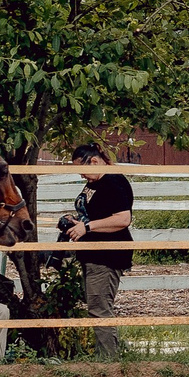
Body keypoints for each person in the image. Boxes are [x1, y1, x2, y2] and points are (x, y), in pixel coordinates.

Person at [59, 144, 134, 355]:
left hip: (107, 255)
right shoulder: (95, 182)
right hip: (93, 253)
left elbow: (123, 219)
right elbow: (95, 214)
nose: (81, 175)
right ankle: (107, 355)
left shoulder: (113, 182)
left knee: (100, 308)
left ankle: (109, 359)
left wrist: (87, 227)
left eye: (81, 169)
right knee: (97, 307)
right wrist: (76, 222)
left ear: (94, 161)